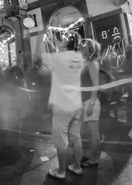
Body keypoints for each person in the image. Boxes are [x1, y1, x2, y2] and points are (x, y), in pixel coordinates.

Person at [43, 30, 84, 180]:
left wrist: (41, 39)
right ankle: (77, 167)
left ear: (66, 43)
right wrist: (52, 37)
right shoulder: (79, 57)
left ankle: (61, 171)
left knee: (61, 139)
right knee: (76, 136)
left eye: (62, 40)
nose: (59, 42)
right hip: (76, 103)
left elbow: (37, 56)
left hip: (62, 104)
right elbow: (61, 50)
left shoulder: (58, 58)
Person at [80, 39, 101, 168]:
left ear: (90, 50)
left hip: (90, 101)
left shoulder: (92, 64)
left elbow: (95, 85)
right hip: (84, 101)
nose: (81, 48)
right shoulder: (85, 63)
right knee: (88, 131)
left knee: (93, 132)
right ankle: (92, 155)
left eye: (84, 46)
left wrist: (91, 104)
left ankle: (94, 159)